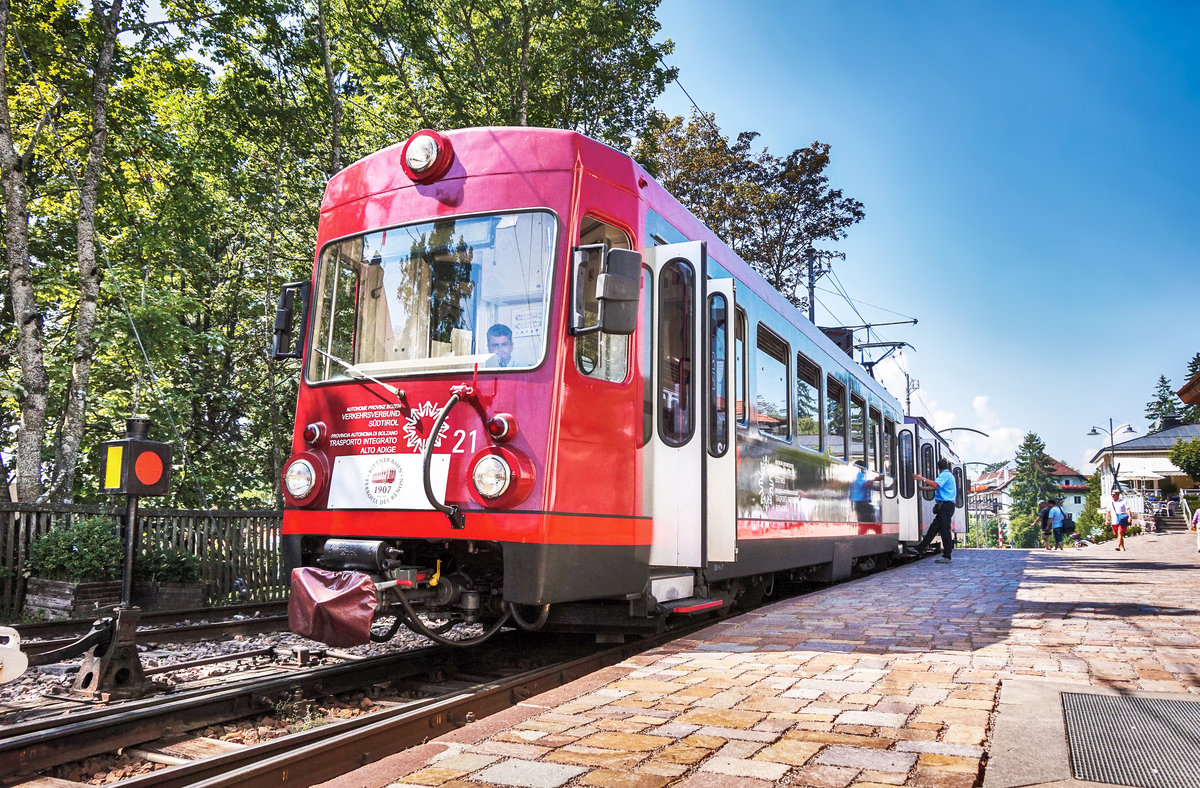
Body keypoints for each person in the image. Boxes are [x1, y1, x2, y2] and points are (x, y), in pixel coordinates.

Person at [912, 458, 957, 563]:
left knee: (945, 530)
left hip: (945, 506)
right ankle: (920, 548)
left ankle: (947, 556)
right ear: (947, 466)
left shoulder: (945, 475)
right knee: (933, 529)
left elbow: (935, 485)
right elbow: (934, 488)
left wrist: (921, 478)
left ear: (938, 467)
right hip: (944, 507)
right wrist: (921, 489)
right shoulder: (947, 475)